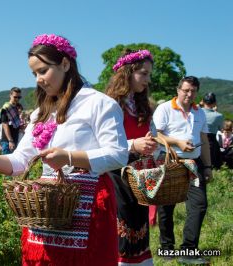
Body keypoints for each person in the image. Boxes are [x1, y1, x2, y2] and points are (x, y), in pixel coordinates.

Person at [0, 34, 128, 266]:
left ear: (65, 64)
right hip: (47, 210)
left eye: (43, 71)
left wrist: (69, 157)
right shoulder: (41, 112)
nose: (39, 79)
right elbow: (20, 162)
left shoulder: (98, 104)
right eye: (34, 74)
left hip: (87, 205)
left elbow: (118, 154)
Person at [105, 49, 157, 266]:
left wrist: (152, 145)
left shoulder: (144, 106)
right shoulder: (109, 105)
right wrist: (133, 145)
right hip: (116, 175)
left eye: (148, 75)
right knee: (122, 229)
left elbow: (151, 137)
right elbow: (101, 144)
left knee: (139, 226)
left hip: (140, 175)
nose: (147, 79)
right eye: (143, 74)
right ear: (128, 72)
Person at [153, 76, 212, 265]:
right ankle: (166, 248)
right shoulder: (164, 109)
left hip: (194, 162)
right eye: (185, 90)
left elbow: (204, 141)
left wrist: (208, 166)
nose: (189, 94)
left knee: (199, 204)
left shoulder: (200, 113)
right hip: (170, 160)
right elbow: (155, 136)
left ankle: (188, 250)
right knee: (166, 206)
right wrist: (177, 142)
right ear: (178, 90)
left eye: (193, 91)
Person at [202, 92, 224, 169]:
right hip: (211, 142)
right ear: (215, 103)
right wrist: (216, 111)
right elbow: (221, 129)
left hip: (197, 141)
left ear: (203, 101)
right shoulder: (219, 116)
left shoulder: (197, 112)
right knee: (213, 165)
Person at [0, 87, 22, 154]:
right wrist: (10, 141)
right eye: (15, 97)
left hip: (15, 139)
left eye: (19, 97)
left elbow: (13, 124)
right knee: (5, 163)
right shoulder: (6, 108)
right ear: (10, 95)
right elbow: (5, 124)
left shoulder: (16, 108)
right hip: (7, 141)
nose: (17, 99)